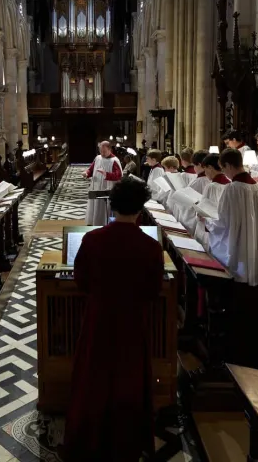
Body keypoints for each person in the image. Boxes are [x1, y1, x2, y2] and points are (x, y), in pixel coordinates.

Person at [64, 177, 164, 461]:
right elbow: (153, 289)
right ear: (141, 209)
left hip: (99, 320)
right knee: (128, 378)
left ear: (112, 205)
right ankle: (127, 440)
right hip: (133, 323)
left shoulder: (92, 239)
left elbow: (81, 281)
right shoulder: (149, 246)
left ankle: (90, 435)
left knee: (93, 376)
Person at [201, 148, 258, 284]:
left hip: (239, 246)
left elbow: (223, 223)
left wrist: (207, 221)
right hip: (256, 245)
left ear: (228, 165)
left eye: (223, 168)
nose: (224, 173)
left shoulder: (232, 188)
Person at [194, 153, 239, 250]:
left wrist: (198, 210)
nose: (205, 173)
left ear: (210, 167)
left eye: (205, 169)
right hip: (225, 231)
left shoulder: (212, 186)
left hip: (210, 229)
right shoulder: (230, 185)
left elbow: (203, 211)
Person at [82, 140, 123, 225]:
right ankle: (94, 222)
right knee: (95, 205)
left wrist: (106, 174)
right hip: (96, 186)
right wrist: (87, 173)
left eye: (104, 151)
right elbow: (91, 169)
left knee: (104, 208)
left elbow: (118, 175)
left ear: (109, 149)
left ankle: (104, 223)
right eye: (100, 151)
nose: (102, 153)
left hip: (107, 188)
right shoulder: (98, 158)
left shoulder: (114, 161)